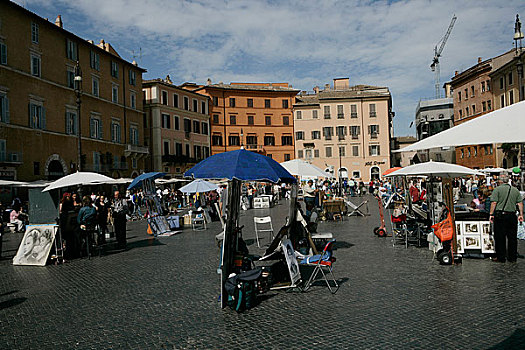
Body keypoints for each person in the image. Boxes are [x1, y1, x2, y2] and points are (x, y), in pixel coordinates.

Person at [489, 173, 524, 263]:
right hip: (512, 215)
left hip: (501, 216)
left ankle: (501, 257)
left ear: (500, 181)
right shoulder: (515, 190)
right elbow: (520, 203)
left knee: (500, 237)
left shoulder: (497, 190)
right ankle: (512, 257)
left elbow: (494, 203)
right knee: (512, 237)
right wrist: (521, 214)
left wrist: (491, 214)